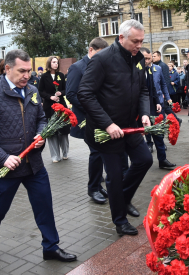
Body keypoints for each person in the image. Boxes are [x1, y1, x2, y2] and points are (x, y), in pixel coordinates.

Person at [0, 49, 76, 262]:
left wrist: (41, 133)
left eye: (29, 71)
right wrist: (3, 158)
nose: (27, 76)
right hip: (8, 166)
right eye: (22, 71)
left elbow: (40, 117)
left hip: (34, 165)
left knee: (44, 206)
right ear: (8, 69)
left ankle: (50, 247)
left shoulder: (32, 90)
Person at [78, 19, 153, 236]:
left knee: (144, 160)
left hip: (130, 126)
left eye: (141, 41)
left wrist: (145, 114)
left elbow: (143, 91)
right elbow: (85, 93)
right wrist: (107, 123)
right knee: (114, 176)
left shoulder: (138, 59)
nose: (139, 45)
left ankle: (122, 198)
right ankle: (120, 221)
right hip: (105, 131)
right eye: (135, 41)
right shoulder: (102, 60)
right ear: (121, 38)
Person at [66, 37, 110, 204]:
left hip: (100, 116)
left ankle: (98, 186)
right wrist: (92, 108)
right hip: (86, 117)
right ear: (91, 50)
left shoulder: (101, 65)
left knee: (101, 151)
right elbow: (71, 93)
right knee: (96, 151)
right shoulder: (77, 67)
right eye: (99, 54)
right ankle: (93, 188)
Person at [140, 47, 176, 170]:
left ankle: (162, 159)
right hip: (141, 108)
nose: (147, 61)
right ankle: (147, 147)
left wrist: (164, 99)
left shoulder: (155, 69)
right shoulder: (136, 71)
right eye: (145, 59)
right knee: (145, 131)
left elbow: (159, 87)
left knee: (159, 133)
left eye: (149, 58)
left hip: (156, 105)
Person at [38, 56, 69, 162]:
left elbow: (66, 89)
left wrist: (61, 93)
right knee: (52, 131)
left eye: (57, 62)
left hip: (61, 106)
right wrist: (50, 97)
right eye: (54, 62)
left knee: (63, 130)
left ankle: (65, 153)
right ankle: (55, 156)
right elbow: (40, 91)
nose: (56, 64)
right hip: (49, 107)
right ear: (49, 64)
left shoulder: (60, 75)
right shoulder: (44, 76)